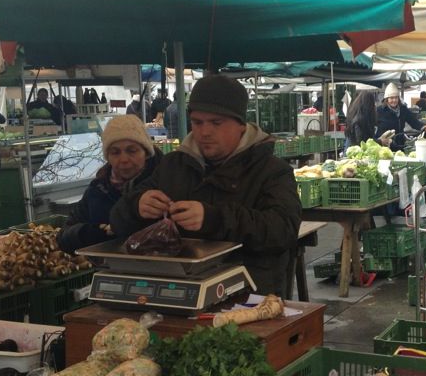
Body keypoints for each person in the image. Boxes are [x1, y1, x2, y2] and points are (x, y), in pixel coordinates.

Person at [110, 74, 301, 295]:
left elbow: (282, 230)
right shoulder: (173, 165)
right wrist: (136, 206)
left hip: (247, 297)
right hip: (177, 292)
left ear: (241, 124)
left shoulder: (272, 170)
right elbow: (117, 219)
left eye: (216, 123)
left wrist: (215, 219)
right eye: (197, 122)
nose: (205, 131)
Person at [57, 116, 162, 254]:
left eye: (132, 151)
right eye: (115, 152)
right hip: (110, 271)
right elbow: (63, 237)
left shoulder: (165, 182)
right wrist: (85, 234)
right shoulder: (98, 190)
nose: (123, 159)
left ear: (146, 152)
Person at [375, 82, 426, 151]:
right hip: (384, 147)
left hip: (399, 145)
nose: (394, 100)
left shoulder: (403, 109)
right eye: (391, 98)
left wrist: (423, 126)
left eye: (396, 98)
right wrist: (378, 140)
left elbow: (413, 121)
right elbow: (371, 127)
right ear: (387, 99)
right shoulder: (379, 111)